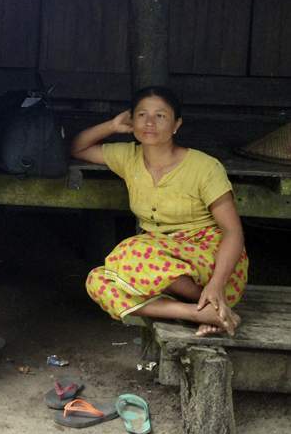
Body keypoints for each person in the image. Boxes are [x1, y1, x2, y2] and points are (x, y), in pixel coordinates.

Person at [71, 86, 248, 336]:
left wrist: (216, 286)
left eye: (161, 116)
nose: (150, 123)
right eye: (142, 115)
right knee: (97, 282)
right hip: (153, 266)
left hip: (212, 264)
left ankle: (211, 299)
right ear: (132, 121)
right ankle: (199, 312)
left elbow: (232, 231)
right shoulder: (128, 157)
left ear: (176, 124)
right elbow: (78, 148)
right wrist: (111, 125)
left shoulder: (205, 167)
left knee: (132, 250)